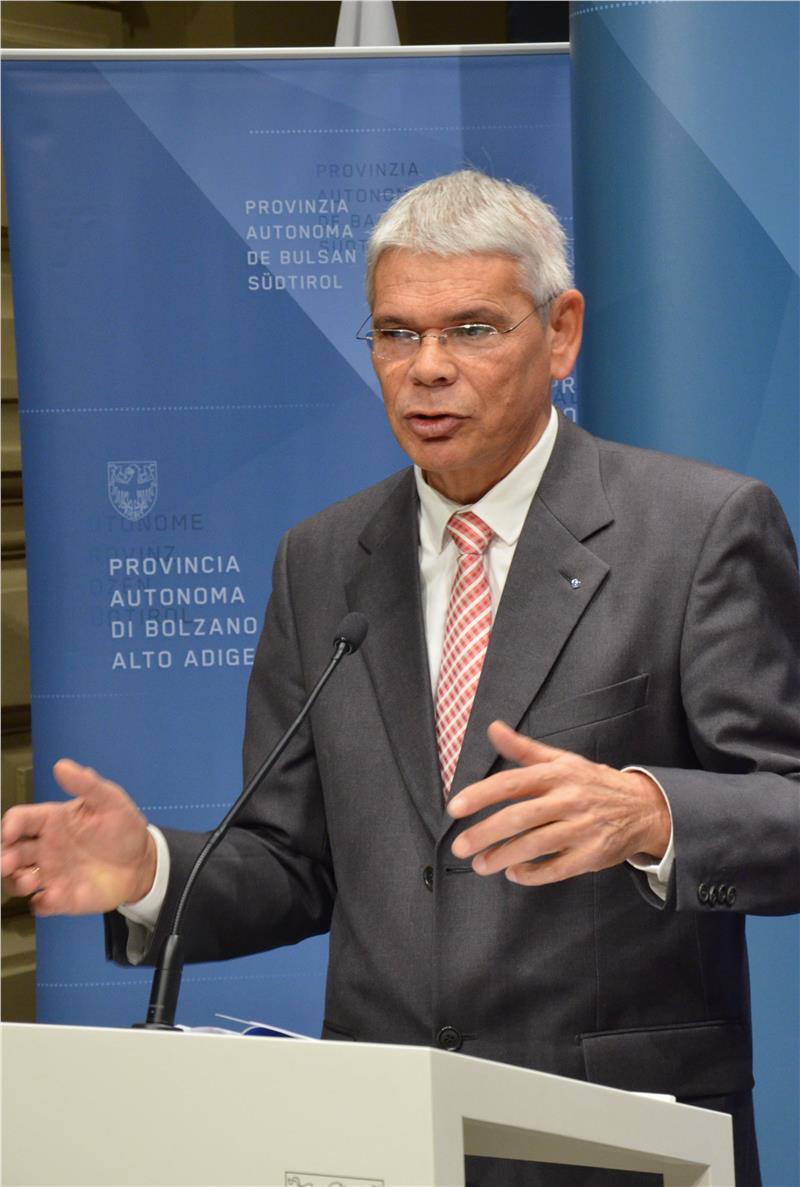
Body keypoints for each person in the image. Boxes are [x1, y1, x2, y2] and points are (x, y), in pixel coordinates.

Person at [3, 171, 799, 1187]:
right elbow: (292, 859)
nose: (427, 369)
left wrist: (649, 812)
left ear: (560, 333)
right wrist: (151, 871)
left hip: (616, 1140)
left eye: (471, 329)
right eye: (396, 333)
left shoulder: (697, 530)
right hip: (379, 1137)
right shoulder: (321, 559)